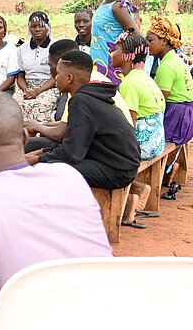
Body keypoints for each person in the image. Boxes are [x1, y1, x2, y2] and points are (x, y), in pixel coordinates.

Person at [0, 90, 112, 330]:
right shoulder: (69, 177)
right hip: (103, 315)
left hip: (29, 320)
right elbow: (21, 198)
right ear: (24, 137)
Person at [27, 51, 141, 190]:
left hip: (118, 171)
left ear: (69, 78)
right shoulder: (87, 96)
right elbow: (74, 142)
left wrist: (36, 159)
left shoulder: (80, 101)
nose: (55, 78)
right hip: (114, 163)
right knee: (44, 159)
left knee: (46, 169)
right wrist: (40, 152)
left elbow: (71, 153)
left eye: (58, 73)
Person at [24, 39, 133, 153]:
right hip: (120, 144)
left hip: (110, 150)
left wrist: (36, 126)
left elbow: (59, 134)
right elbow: (68, 124)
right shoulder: (90, 77)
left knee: (31, 145)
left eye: (51, 66)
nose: (53, 73)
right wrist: (41, 125)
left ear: (62, 67)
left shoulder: (80, 90)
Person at [111, 31, 165, 229]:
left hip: (145, 143)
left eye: (116, 49)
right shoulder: (144, 78)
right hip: (157, 138)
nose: (112, 53)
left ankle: (129, 203)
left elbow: (128, 126)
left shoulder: (130, 84)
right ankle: (139, 188)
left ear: (128, 55)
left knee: (103, 153)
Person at [146, 16, 193, 145]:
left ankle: (165, 165)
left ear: (164, 41)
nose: (146, 44)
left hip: (177, 118)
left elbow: (159, 102)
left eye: (150, 40)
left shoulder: (166, 66)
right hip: (187, 115)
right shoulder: (176, 59)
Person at [91, 0, 138, 85]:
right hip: (99, 65)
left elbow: (137, 37)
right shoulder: (106, 3)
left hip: (111, 69)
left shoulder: (118, 7)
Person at [13, 11, 58, 123]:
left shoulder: (54, 47)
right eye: (33, 26)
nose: (37, 29)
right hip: (27, 87)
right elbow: (20, 76)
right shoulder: (22, 49)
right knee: (14, 105)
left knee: (39, 106)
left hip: (48, 87)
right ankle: (19, 136)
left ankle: (39, 137)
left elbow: (56, 77)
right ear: (29, 28)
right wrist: (25, 90)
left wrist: (37, 91)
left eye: (41, 26)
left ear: (48, 27)